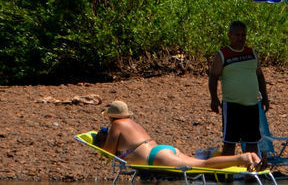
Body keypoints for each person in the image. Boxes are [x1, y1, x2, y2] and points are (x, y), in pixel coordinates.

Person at [99, 100, 261, 170]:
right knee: (202, 162)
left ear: (111, 116)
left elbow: (107, 153)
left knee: (204, 165)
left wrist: (100, 140)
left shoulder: (116, 125)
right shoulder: (133, 124)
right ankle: (245, 158)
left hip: (156, 157)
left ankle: (243, 158)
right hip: (163, 151)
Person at [208, 20, 270, 157]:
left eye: (243, 35)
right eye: (237, 35)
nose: (241, 38)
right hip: (232, 105)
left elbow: (260, 76)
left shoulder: (251, 53)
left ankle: (250, 175)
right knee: (230, 142)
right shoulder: (223, 54)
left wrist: (265, 98)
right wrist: (214, 98)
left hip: (252, 105)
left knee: (252, 142)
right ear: (230, 36)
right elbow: (213, 77)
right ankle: (227, 176)